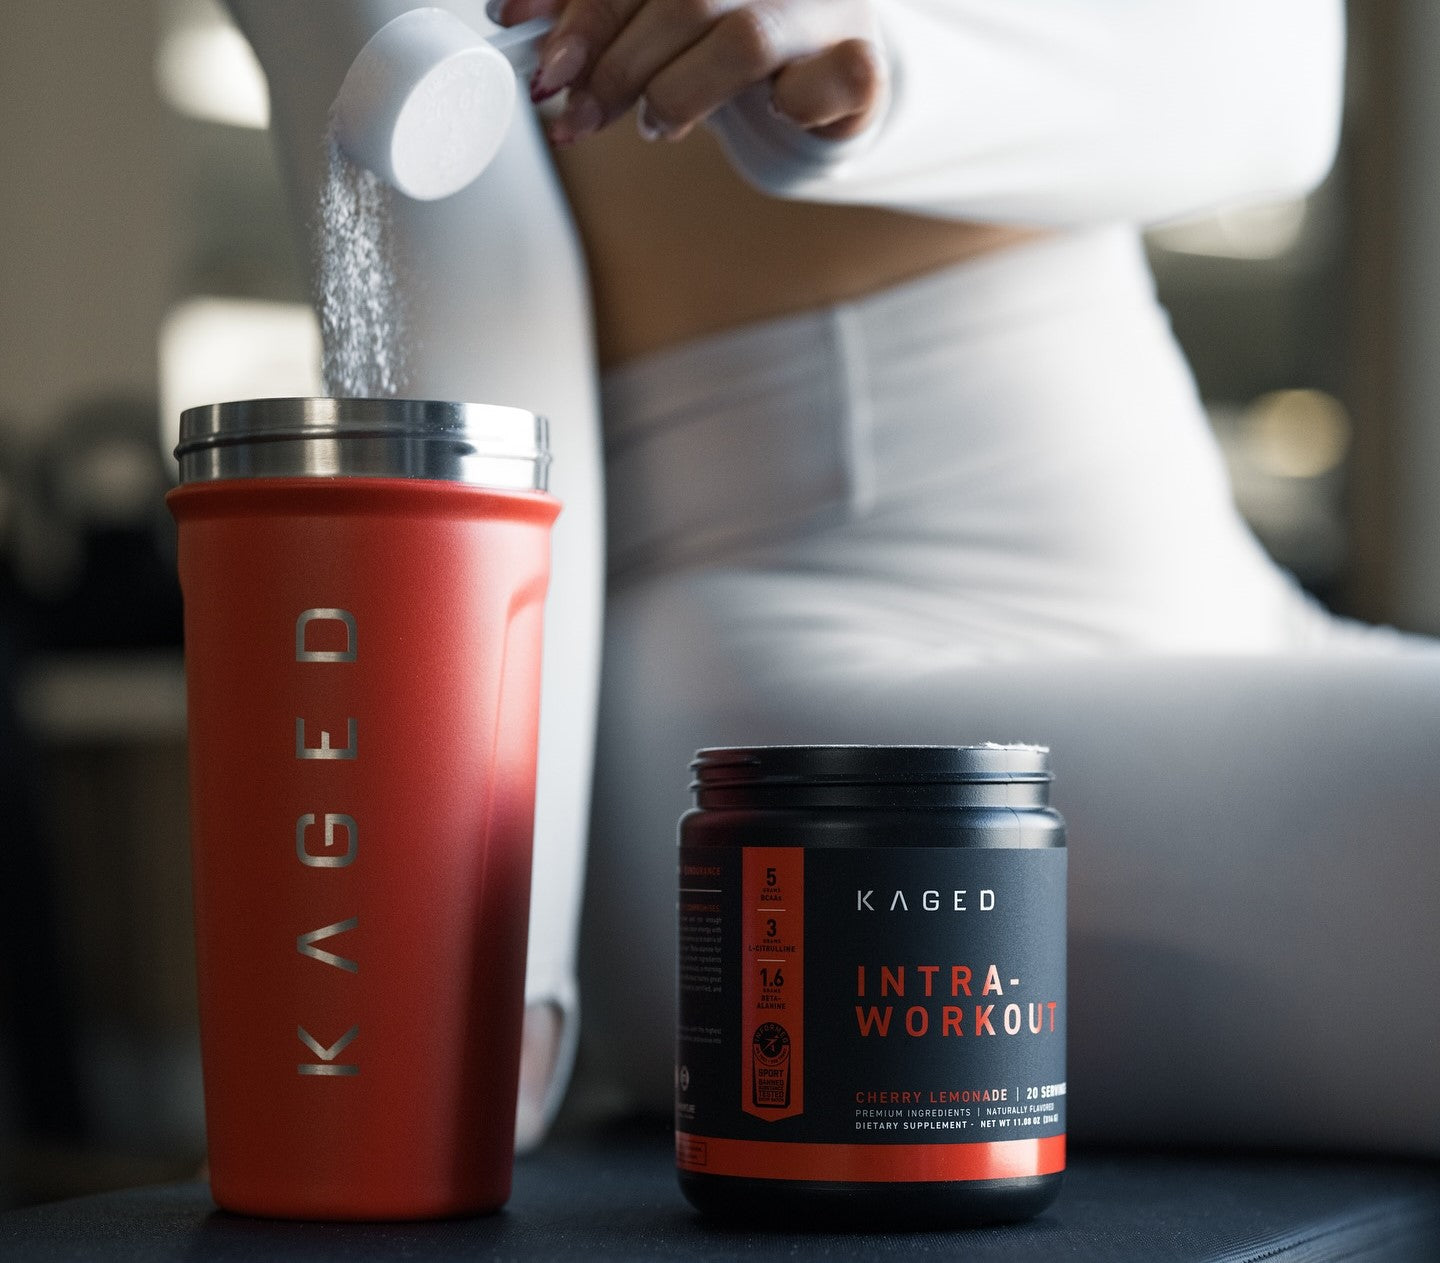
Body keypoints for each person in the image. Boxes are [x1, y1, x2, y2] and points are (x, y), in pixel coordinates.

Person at [480, 0, 1440, 1154]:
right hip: (820, 692)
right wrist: (504, 963)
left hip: (1220, 594)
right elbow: (401, 205)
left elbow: (1275, 99)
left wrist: (887, 53)